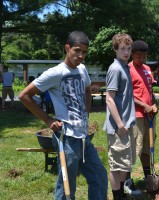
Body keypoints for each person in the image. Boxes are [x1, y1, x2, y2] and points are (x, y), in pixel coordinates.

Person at [19, 31, 108, 200]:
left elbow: (88, 90)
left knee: (99, 175)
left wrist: (85, 115)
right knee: (67, 185)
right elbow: (24, 96)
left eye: (84, 52)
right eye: (77, 50)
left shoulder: (82, 70)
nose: (81, 56)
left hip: (83, 136)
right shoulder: (55, 73)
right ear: (67, 48)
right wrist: (48, 119)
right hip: (65, 137)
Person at [103, 33, 137, 200]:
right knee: (117, 166)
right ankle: (117, 196)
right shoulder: (115, 68)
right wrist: (119, 124)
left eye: (128, 48)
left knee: (125, 164)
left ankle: (121, 193)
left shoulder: (125, 67)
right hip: (118, 127)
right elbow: (109, 98)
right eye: (122, 48)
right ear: (115, 49)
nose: (126, 52)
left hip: (126, 125)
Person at [126, 40, 157, 195]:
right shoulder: (128, 69)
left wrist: (154, 104)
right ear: (132, 54)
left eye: (144, 57)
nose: (142, 59)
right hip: (136, 114)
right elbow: (127, 94)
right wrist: (143, 105)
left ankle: (148, 177)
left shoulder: (147, 69)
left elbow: (150, 90)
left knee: (147, 148)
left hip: (150, 114)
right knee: (134, 148)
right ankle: (127, 181)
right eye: (139, 57)